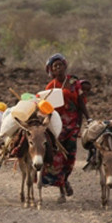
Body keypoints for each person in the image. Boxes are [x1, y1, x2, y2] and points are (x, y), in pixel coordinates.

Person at [41, 53, 91, 203]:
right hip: (57, 127)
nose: (58, 68)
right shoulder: (50, 87)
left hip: (73, 126)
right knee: (57, 158)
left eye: (60, 65)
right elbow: (46, 108)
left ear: (65, 66)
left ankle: (66, 180)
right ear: (51, 70)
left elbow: (81, 103)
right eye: (55, 66)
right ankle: (62, 190)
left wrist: (88, 119)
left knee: (70, 157)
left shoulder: (74, 83)